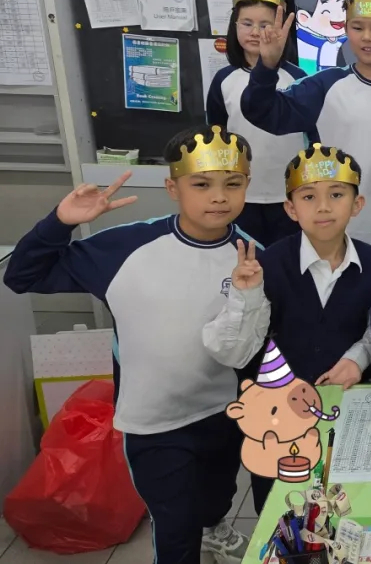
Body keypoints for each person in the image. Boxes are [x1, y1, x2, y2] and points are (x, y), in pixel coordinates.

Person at [3, 125, 256, 564]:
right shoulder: (123, 248)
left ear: (247, 186)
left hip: (223, 411)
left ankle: (214, 528)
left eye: (232, 184)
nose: (219, 197)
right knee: (175, 530)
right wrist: (60, 223)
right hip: (154, 422)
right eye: (201, 184)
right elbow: (22, 276)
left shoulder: (254, 254)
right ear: (173, 188)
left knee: (218, 494)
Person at [203, 143, 371, 514]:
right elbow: (236, 350)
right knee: (280, 513)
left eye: (337, 195)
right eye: (308, 196)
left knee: (345, 505)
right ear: (290, 208)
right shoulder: (267, 264)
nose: (323, 207)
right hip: (275, 419)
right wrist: (246, 294)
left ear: (357, 204)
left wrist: (358, 358)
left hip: (345, 408)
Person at [240, 0, 371, 272]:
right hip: (337, 231)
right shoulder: (324, 85)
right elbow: (262, 112)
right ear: (346, 29)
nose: (367, 37)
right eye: (357, 27)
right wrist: (267, 68)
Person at [206, 0, 306, 247]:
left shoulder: (298, 79)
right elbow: (216, 137)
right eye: (247, 23)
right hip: (242, 195)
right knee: (245, 258)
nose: (255, 32)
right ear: (234, 26)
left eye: (265, 25)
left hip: (289, 194)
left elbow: (313, 135)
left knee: (286, 261)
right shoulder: (224, 80)